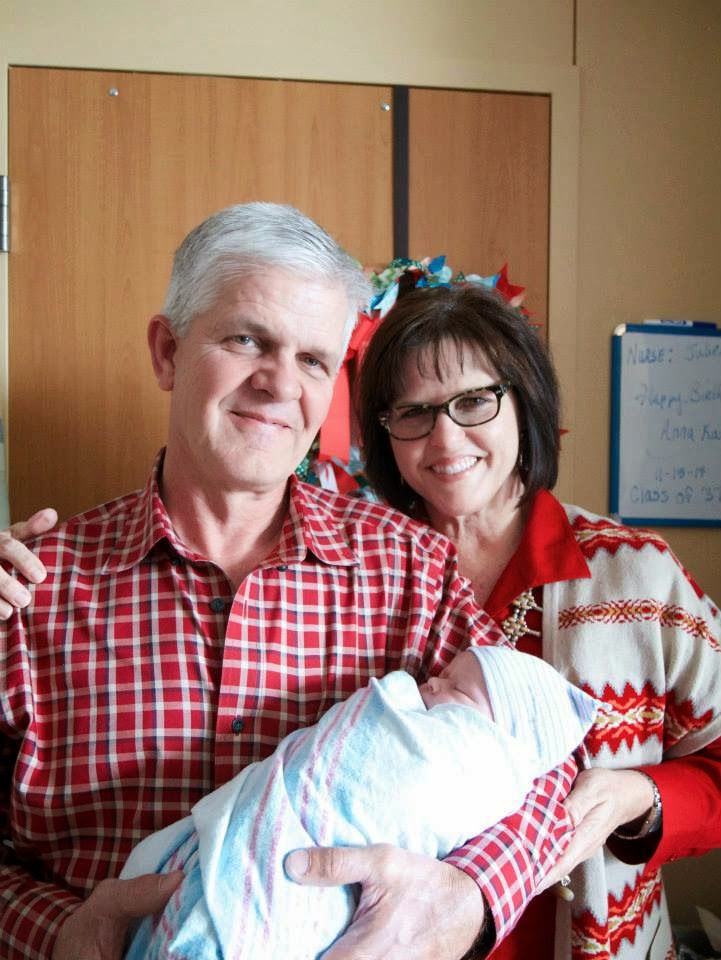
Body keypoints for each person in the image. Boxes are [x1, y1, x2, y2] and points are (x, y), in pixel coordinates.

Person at [0, 203, 581, 960]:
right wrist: (58, 932)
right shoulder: (30, 589)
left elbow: (544, 768)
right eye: (247, 339)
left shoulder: (412, 571)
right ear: (168, 352)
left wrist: (465, 897)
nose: (279, 384)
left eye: (313, 360)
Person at [354, 281, 721, 960]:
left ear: (523, 402)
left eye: (473, 400)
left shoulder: (636, 571)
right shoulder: (356, 576)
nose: (444, 437)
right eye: (413, 411)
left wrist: (639, 795)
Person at [120, 645, 599, 960]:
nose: (430, 683)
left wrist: (466, 896)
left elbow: (554, 774)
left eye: (455, 687)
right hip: (143, 903)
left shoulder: (424, 570)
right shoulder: (65, 576)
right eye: (442, 676)